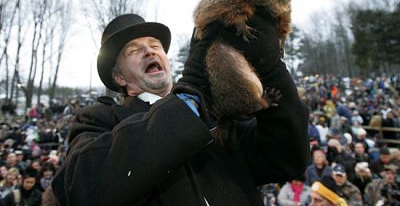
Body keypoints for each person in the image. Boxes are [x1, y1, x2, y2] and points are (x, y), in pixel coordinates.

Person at [52, 12, 309, 206]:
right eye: (134, 50)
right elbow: (86, 187)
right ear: (119, 77)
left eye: (155, 46)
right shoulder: (99, 119)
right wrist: (189, 96)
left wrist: (271, 69)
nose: (149, 52)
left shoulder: (216, 113)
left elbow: (286, 160)